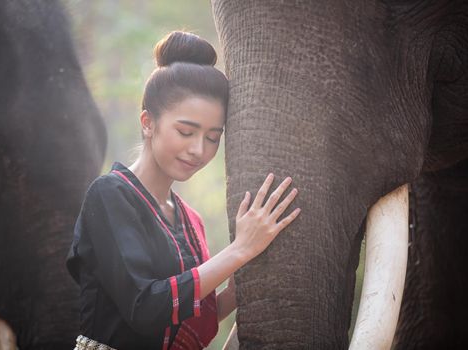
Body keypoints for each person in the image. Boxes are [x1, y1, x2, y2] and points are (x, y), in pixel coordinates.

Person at [66, 31, 301, 350]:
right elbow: (145, 309)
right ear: (148, 123)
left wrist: (232, 295)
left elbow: (184, 321)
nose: (198, 150)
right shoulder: (109, 195)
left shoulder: (191, 219)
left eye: (212, 138)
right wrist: (238, 250)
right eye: (186, 131)